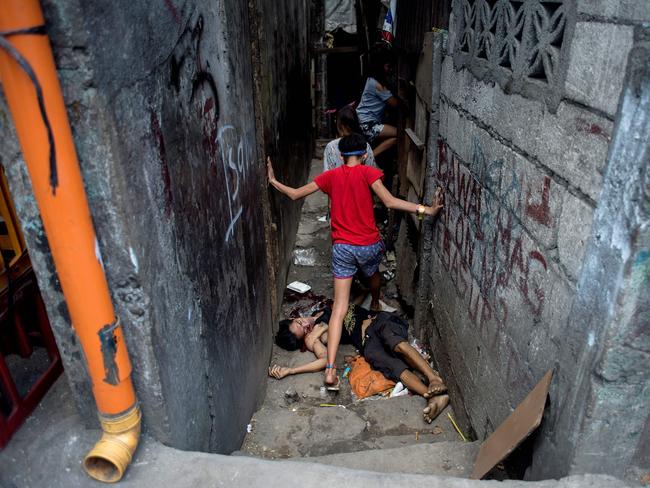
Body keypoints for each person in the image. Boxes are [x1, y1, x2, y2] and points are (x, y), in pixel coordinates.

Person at [267, 133, 444, 390]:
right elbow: (390, 202)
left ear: (341, 156)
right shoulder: (368, 173)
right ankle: (374, 299)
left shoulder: (331, 175)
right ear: (363, 155)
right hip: (368, 246)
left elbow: (294, 194)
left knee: (339, 309)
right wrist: (426, 210)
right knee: (372, 274)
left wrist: (272, 181)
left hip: (343, 249)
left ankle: (330, 371)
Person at [269, 304, 450, 423]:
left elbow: (350, 301)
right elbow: (324, 360)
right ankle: (432, 396)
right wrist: (291, 370)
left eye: (300, 322)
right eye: (304, 330)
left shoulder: (323, 309)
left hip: (380, 321)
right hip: (367, 343)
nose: (305, 324)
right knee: (391, 366)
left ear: (295, 318)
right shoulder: (314, 338)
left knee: (394, 343)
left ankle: (433, 378)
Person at [355, 45, 401, 158]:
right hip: (368, 125)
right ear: (380, 66)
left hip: (365, 121)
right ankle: (369, 157)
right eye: (388, 66)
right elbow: (396, 104)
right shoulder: (377, 85)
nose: (390, 70)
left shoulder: (372, 79)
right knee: (400, 134)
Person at [323, 105, 377, 172]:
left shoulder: (331, 146)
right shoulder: (365, 145)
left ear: (339, 125)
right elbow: (371, 172)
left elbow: (327, 174)